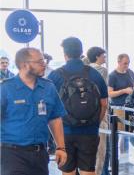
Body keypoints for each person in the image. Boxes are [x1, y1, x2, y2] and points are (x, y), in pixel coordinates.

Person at [1, 48, 67, 175]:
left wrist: (60, 147)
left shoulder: (48, 87)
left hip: (40, 154)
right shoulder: (5, 88)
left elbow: (55, 118)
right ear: (24, 64)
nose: (44, 64)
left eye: (44, 60)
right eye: (40, 61)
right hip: (12, 155)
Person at [48, 37, 109, 175]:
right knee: (88, 170)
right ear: (82, 52)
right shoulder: (94, 74)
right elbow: (104, 103)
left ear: (65, 54)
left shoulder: (56, 75)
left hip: (65, 132)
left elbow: (48, 106)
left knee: (68, 171)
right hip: (90, 131)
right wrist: (95, 123)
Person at [85, 46, 109, 175]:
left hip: (85, 113)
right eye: (103, 56)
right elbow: (104, 96)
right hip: (99, 113)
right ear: (96, 56)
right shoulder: (102, 70)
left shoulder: (85, 69)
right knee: (101, 151)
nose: (104, 58)